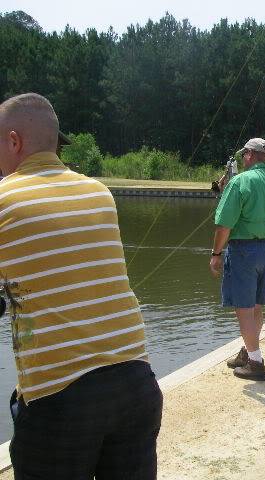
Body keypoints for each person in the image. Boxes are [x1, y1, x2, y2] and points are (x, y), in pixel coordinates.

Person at [0, 93, 162, 479]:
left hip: (60, 398)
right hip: (136, 383)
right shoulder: (98, 192)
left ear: (14, 141)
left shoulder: (3, 199)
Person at [210, 137, 265, 381]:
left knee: (243, 310)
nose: (243, 159)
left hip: (243, 251)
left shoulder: (241, 180)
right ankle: (247, 352)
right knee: (256, 307)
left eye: (244, 155)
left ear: (251, 155)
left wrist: (216, 254)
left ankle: (256, 363)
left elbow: (224, 225)